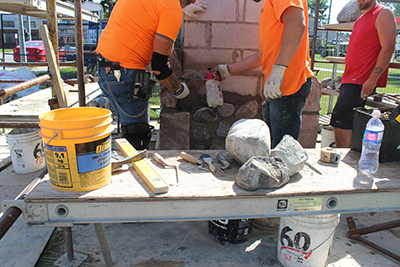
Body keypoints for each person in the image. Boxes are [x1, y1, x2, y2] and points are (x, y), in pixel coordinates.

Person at [96, 0, 196, 150]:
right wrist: (179, 90)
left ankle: (103, 106)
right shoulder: (171, 9)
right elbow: (160, 68)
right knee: (137, 138)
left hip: (107, 67)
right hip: (125, 74)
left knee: (131, 125)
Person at [214, 0, 313, 148]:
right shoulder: (269, 4)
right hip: (279, 84)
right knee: (273, 146)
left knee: (281, 152)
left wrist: (279, 69)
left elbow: (297, 24)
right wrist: (228, 69)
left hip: (287, 83)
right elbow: (263, 55)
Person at [330, 0, 397, 148]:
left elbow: (388, 46)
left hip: (361, 80)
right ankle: (345, 153)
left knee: (341, 119)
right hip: (351, 78)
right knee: (343, 119)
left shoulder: (383, 13)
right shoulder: (360, 19)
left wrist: (373, 78)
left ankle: (343, 158)